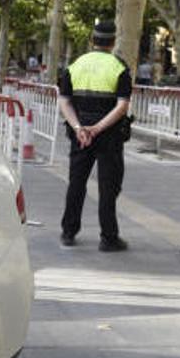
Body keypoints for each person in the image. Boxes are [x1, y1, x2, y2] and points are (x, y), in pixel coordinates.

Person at [58, 21, 132, 251]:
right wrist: (97, 128)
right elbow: (122, 106)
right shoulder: (119, 67)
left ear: (92, 40)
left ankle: (68, 232)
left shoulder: (76, 65)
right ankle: (108, 238)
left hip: (80, 136)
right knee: (108, 187)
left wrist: (80, 128)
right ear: (113, 41)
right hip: (109, 136)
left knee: (76, 183)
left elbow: (64, 101)